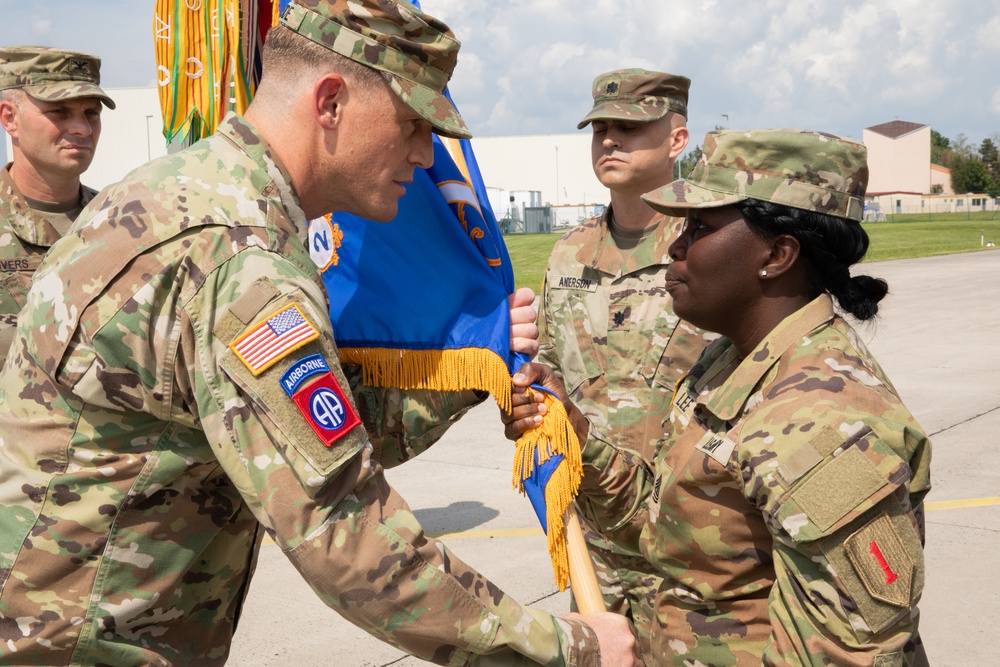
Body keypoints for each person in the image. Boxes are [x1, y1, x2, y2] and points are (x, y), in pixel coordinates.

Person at [0, 1, 638, 665]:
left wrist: (471, 377)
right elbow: (341, 526)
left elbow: (281, 437)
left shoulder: (195, 194)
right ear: (330, 101)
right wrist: (568, 647)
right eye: (413, 124)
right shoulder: (241, 258)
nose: (426, 156)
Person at [510, 128, 932, 665]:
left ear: (777, 254)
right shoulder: (728, 361)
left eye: (701, 228)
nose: (676, 247)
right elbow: (664, 523)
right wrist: (577, 437)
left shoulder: (822, 424)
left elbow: (845, 653)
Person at [521, 68, 711, 659]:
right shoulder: (569, 252)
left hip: (689, 538)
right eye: (600, 127)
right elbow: (549, 369)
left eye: (629, 127)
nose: (609, 140)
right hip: (595, 538)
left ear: (676, 140)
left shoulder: (708, 251)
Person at [0, 45, 114, 367]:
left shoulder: (119, 217)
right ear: (10, 118)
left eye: (91, 113)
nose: (82, 129)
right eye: (59, 112)